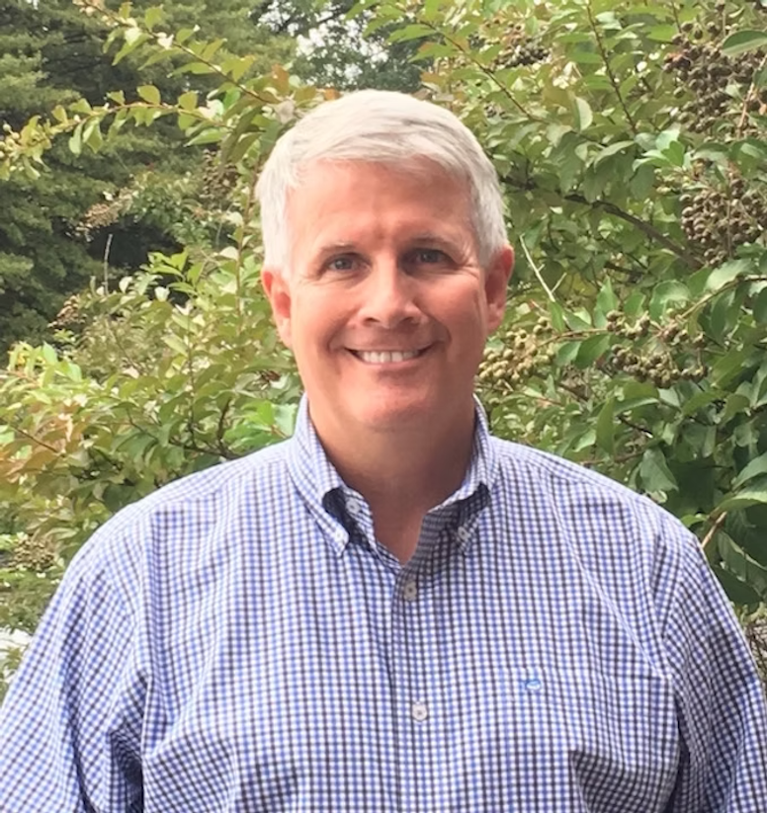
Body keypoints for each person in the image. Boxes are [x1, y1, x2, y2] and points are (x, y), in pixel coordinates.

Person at [1, 89, 766, 812]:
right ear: (282, 302)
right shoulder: (139, 578)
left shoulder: (643, 567)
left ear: (492, 288)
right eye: (342, 262)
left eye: (427, 255)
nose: (388, 304)